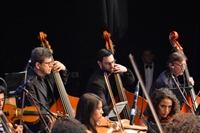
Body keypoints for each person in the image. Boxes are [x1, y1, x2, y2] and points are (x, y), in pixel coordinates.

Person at [21, 47, 70, 132]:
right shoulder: (28, 83)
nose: (51, 65)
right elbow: (36, 111)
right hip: (42, 126)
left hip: (53, 119)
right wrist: (54, 117)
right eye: (48, 63)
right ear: (38, 65)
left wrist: (64, 70)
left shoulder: (49, 73)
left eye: (51, 62)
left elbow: (60, 88)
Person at [86, 48, 135, 117]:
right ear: (99, 63)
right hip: (104, 118)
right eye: (108, 63)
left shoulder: (114, 71)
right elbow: (104, 108)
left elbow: (130, 81)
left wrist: (126, 70)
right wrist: (118, 123)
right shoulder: (95, 82)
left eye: (113, 62)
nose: (112, 65)